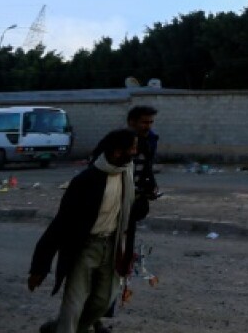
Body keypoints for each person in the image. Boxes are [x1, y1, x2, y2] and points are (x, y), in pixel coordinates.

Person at [29, 129, 140, 333]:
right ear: (117, 152)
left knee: (103, 301)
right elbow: (60, 223)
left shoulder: (128, 174)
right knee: (74, 304)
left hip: (113, 246)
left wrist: (143, 204)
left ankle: (58, 329)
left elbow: (132, 212)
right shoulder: (86, 181)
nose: (136, 151)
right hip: (85, 247)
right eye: (132, 148)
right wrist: (40, 266)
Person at [90, 105, 160, 331]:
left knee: (119, 265)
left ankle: (98, 316)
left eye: (150, 122)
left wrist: (148, 190)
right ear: (131, 122)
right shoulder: (115, 142)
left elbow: (146, 170)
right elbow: (97, 171)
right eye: (143, 122)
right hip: (108, 212)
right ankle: (90, 319)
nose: (148, 127)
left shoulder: (150, 142)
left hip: (129, 213)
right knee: (99, 265)